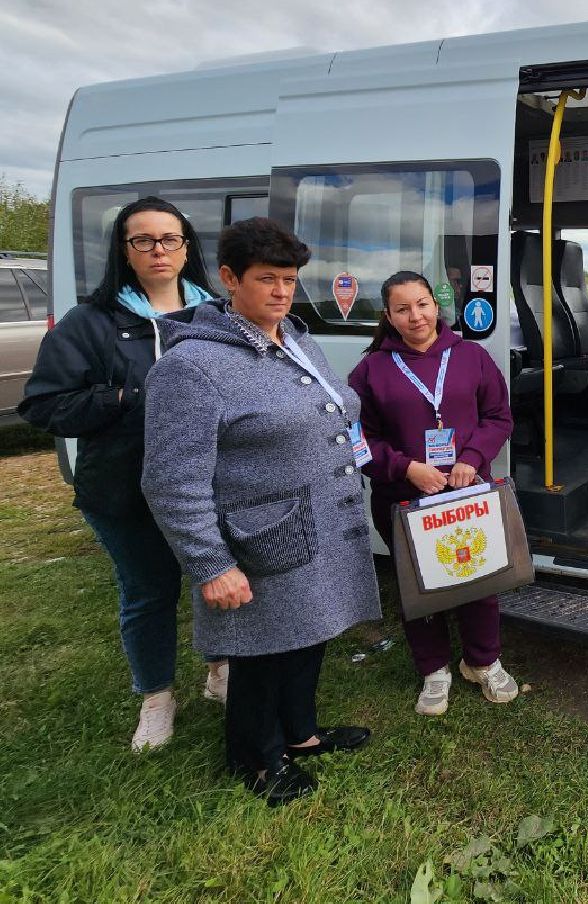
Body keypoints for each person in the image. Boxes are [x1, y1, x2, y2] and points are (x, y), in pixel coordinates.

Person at [141, 218, 381, 806]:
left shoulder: (294, 338)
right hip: (261, 534)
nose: (281, 292)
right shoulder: (193, 367)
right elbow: (171, 481)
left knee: (309, 633)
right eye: (266, 279)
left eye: (290, 280)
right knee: (263, 649)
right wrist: (211, 564)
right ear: (229, 278)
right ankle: (254, 757)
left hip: (319, 521)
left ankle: (299, 734)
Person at [18, 196, 227, 752]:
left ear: (186, 247)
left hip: (206, 486)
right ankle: (156, 697)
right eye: (144, 240)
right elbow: (43, 404)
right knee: (148, 591)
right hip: (123, 488)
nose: (159, 250)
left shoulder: (216, 316)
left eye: (170, 239)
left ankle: (220, 669)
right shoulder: (91, 323)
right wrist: (125, 396)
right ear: (124, 249)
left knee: (214, 581)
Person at [348, 270, 519, 717]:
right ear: (388, 316)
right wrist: (407, 468)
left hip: (466, 492)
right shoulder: (370, 370)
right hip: (405, 498)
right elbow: (358, 439)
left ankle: (482, 661)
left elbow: (498, 416)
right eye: (402, 309)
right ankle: (434, 669)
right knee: (420, 586)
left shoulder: (472, 357)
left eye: (422, 304)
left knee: (478, 577)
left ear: (436, 305)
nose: (416, 316)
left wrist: (472, 458)